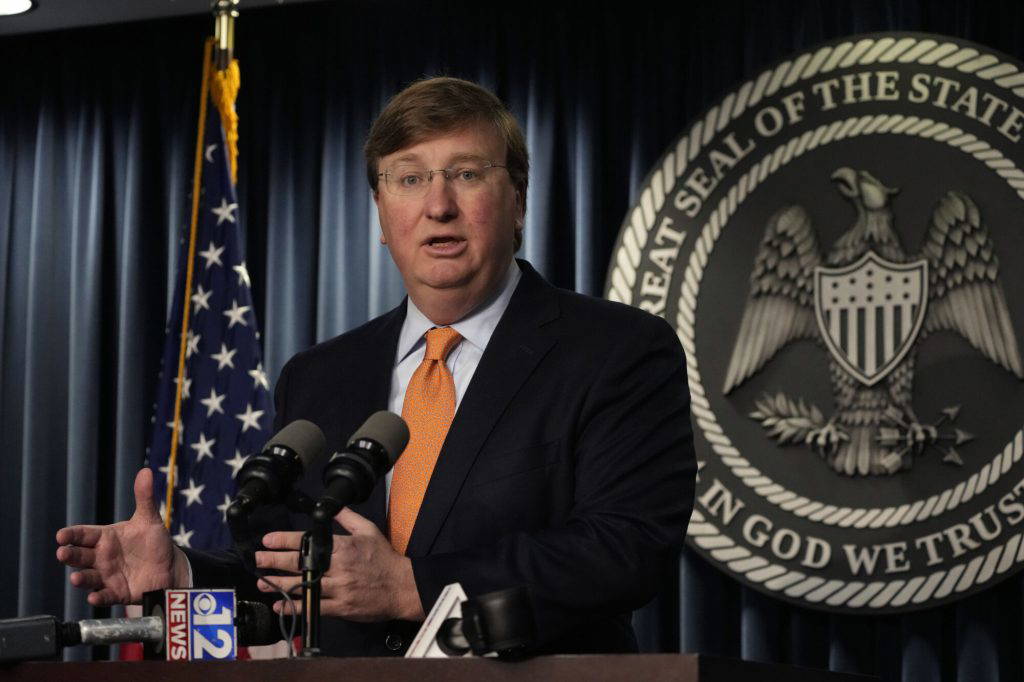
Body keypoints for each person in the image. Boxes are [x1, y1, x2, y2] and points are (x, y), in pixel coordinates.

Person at [56, 76, 696, 656]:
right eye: (408, 178)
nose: (438, 205)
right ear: (382, 214)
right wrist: (185, 574)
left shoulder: (617, 351)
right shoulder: (319, 375)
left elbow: (625, 551)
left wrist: (414, 586)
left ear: (519, 201)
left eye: (467, 174)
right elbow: (291, 575)